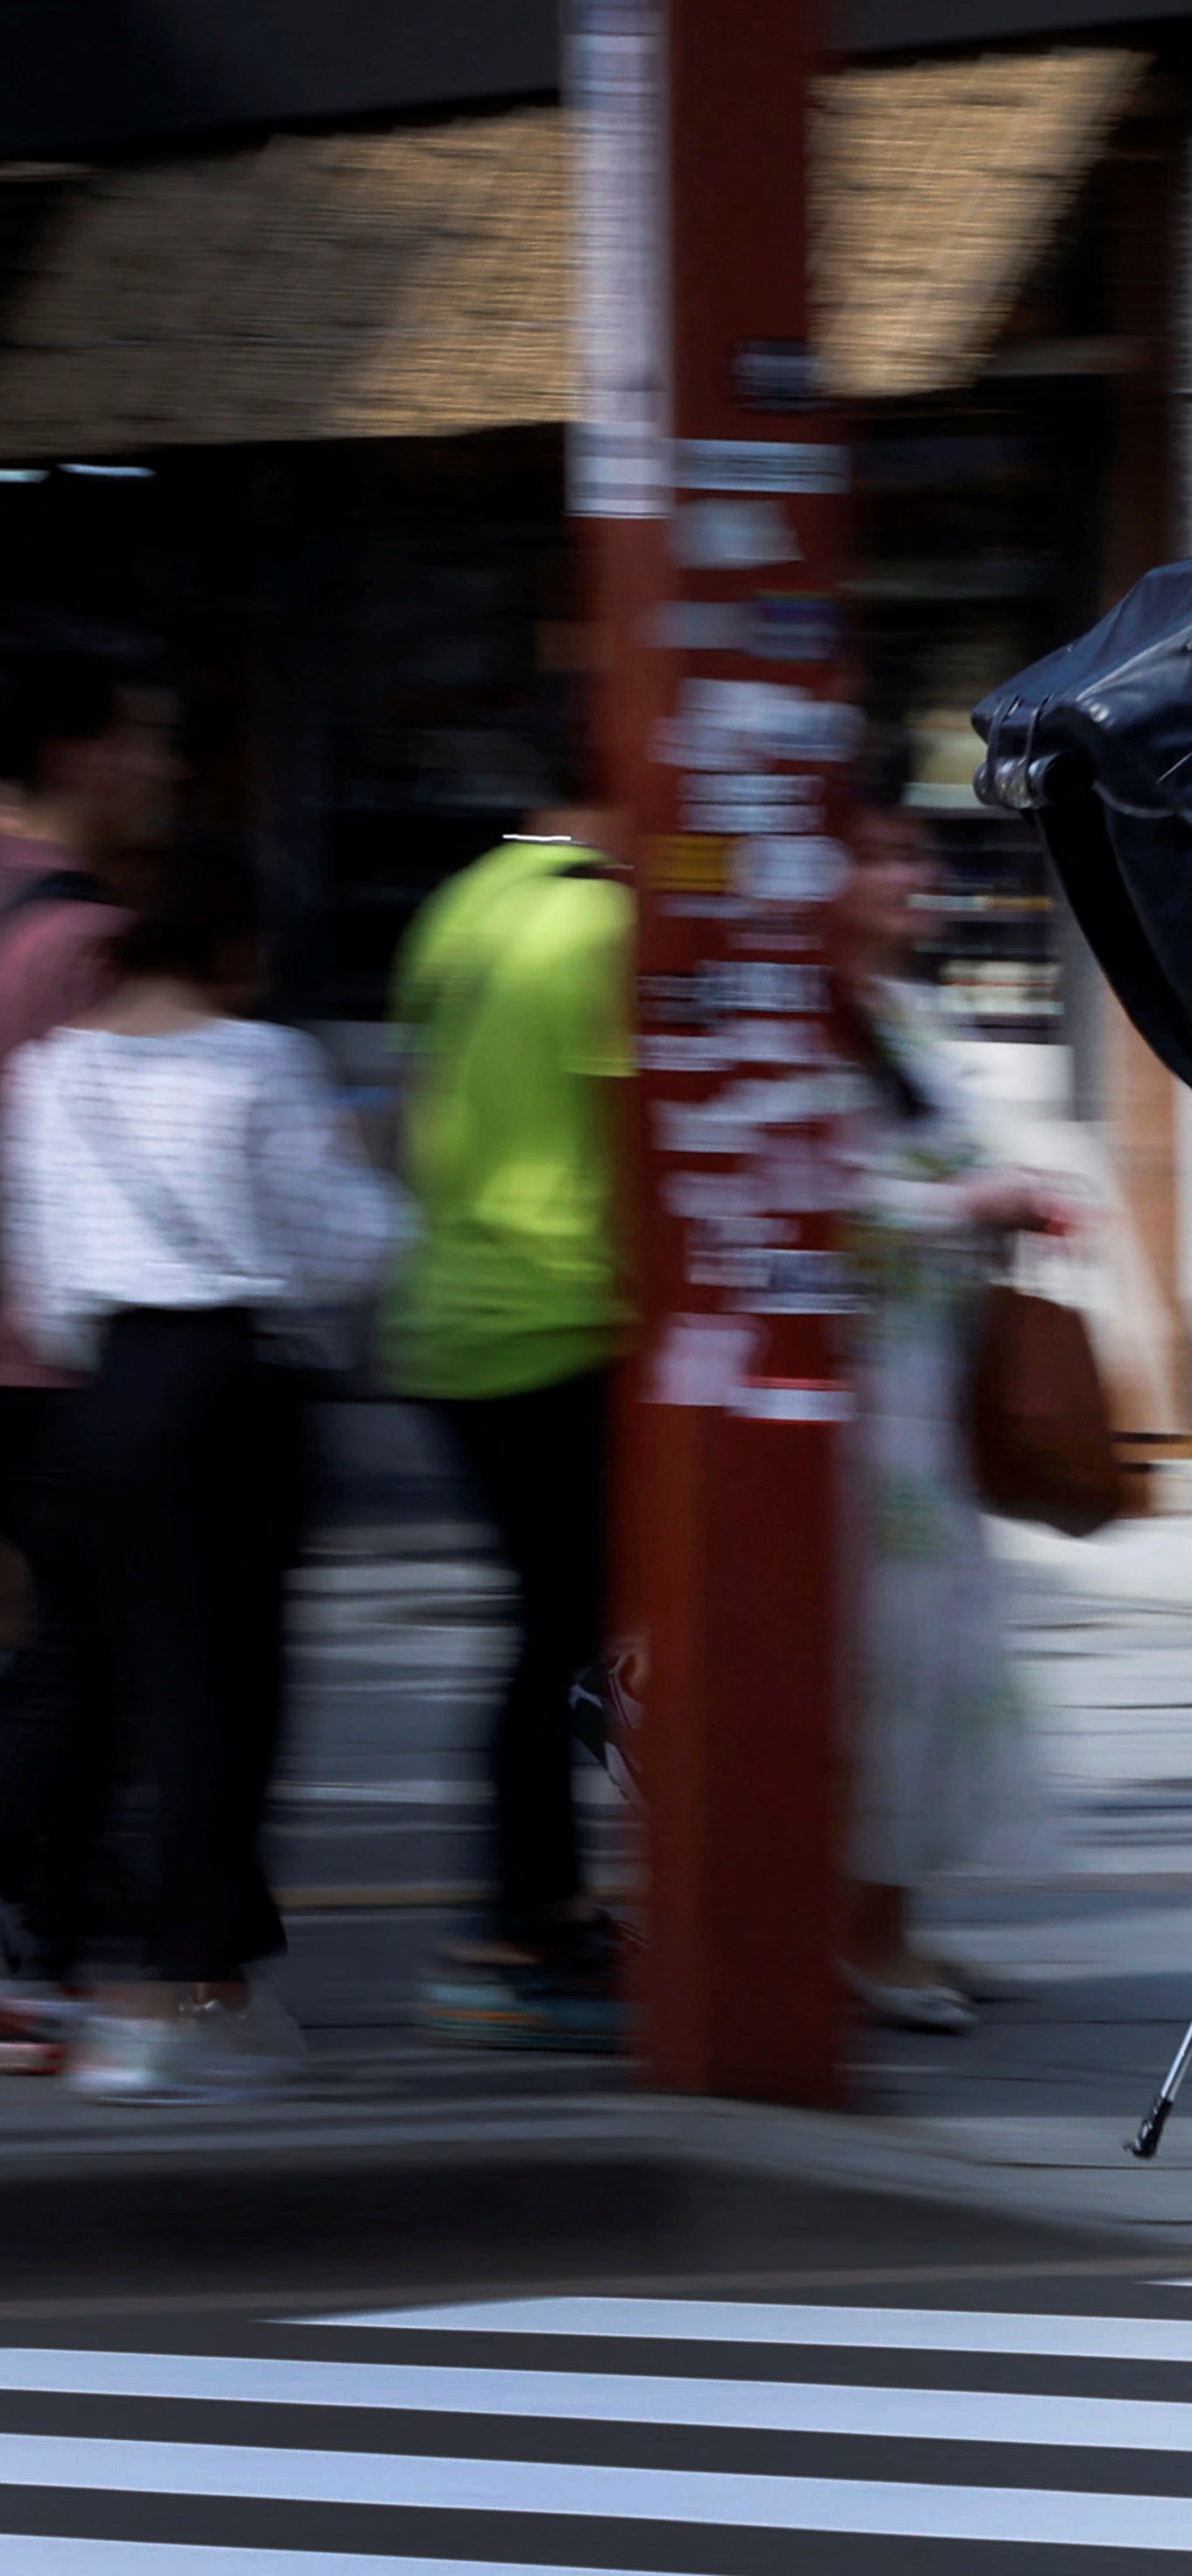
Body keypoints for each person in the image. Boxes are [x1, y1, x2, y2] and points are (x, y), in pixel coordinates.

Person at [16, 834, 408, 2103]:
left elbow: (46, 1264)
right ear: (239, 946)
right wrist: (375, 1167)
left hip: (106, 1390)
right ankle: (192, 1991)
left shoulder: (56, 1071)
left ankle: (163, 1972)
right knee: (228, 1698)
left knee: (125, 1681)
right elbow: (349, 1249)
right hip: (227, 1385)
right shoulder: (260, 1062)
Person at [382, 754, 637, 2049]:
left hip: (449, 1309)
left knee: (552, 1630)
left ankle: (542, 1908)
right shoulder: (603, 920)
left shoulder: (467, 899)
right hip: (556, 1315)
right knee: (557, 1638)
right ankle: (519, 1928)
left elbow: (416, 1096)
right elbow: (638, 1128)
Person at [830, 776, 1081, 2032]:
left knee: (929, 1671)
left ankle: (892, 1926)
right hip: (858, 1412)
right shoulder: (806, 1033)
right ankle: (863, 1940)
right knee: (892, 1672)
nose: (912, 879)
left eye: (913, 858)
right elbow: (822, 1211)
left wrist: (1013, 1193)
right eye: (881, 857)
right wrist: (970, 1204)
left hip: (926, 1395)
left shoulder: (900, 1014)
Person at [0, 621, 162, 2037]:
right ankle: (45, 1922)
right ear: (73, 756)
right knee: (82, 1646)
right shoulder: (91, 943)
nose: (155, 767)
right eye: (138, 740)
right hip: (50, 1354)